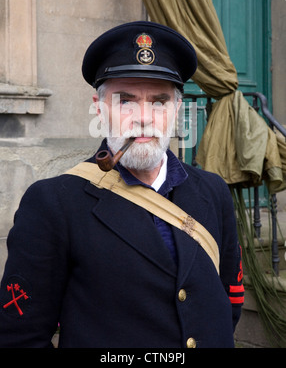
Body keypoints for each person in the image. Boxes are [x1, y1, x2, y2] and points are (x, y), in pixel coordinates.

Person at [0, 21, 244, 348]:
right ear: (100, 109)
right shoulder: (52, 204)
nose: (143, 117)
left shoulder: (212, 191)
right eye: (125, 101)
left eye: (159, 101)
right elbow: (21, 337)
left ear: (177, 110)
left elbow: (227, 301)